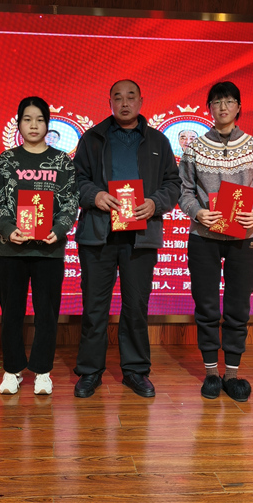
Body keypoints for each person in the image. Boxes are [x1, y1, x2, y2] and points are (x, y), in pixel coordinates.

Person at [73, 79, 181, 398]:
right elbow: (76, 180)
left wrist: (155, 203)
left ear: (141, 101)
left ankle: (135, 370)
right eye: (117, 97)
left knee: (136, 306)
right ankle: (90, 371)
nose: (124, 103)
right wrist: (95, 195)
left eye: (130, 97)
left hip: (140, 236)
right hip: (98, 234)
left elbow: (173, 184)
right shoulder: (92, 138)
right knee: (95, 307)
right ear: (109, 102)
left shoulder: (158, 141)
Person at [178, 81, 253, 401]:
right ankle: (210, 373)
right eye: (217, 102)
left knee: (237, 306)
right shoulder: (194, 147)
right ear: (208, 108)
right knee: (206, 305)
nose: (223, 107)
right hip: (203, 236)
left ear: (238, 107)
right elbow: (184, 190)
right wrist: (196, 212)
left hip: (243, 237)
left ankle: (232, 374)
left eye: (229, 101)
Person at [0, 97, 78, 395]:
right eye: (27, 119)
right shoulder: (6, 160)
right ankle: (12, 370)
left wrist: (59, 229)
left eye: (39, 119)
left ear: (48, 124)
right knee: (11, 313)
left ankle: (42, 371)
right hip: (11, 250)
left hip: (48, 251)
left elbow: (70, 201)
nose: (33, 125)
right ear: (18, 124)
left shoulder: (62, 161)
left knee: (47, 314)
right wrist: (8, 229)